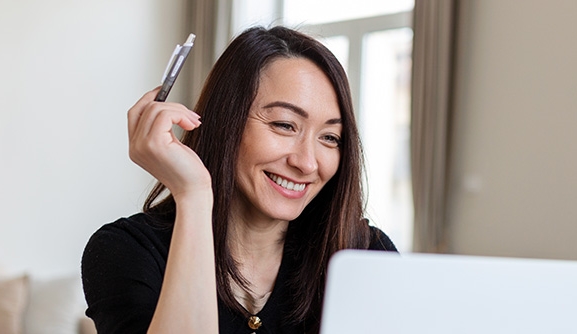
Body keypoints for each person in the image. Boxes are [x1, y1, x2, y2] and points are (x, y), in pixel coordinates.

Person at [81, 26, 397, 334]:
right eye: (285, 125)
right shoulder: (127, 251)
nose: (306, 163)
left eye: (330, 137)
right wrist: (193, 195)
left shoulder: (366, 254)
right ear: (225, 123)